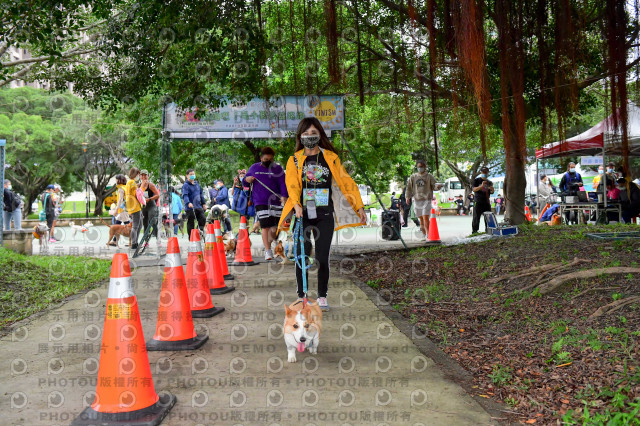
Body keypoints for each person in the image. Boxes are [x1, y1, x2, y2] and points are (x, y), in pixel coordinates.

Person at [277, 117, 366, 311]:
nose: (310, 137)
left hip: (325, 214)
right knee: (302, 254)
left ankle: (322, 296)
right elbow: (291, 185)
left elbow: (347, 182)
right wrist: (297, 206)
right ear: (300, 136)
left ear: (320, 135)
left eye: (314, 133)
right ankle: (302, 295)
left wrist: (359, 206)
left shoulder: (331, 157)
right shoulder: (294, 159)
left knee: (322, 256)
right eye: (306, 133)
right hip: (303, 214)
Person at [244, 147, 288, 260]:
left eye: (270, 159)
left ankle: (273, 241)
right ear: (261, 158)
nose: (268, 160)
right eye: (265, 158)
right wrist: (247, 179)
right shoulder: (254, 167)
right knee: (265, 226)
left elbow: (283, 183)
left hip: (276, 201)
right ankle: (268, 251)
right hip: (260, 201)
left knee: (274, 228)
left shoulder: (278, 169)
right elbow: (245, 180)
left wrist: (284, 196)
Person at [405, 160, 439, 240]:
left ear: (425, 167)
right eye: (418, 167)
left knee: (425, 217)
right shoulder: (413, 177)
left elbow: (434, 186)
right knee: (421, 219)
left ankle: (429, 234)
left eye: (421, 166)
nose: (420, 168)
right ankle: (424, 234)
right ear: (416, 167)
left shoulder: (429, 176)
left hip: (426, 200)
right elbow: (409, 188)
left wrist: (438, 187)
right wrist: (407, 197)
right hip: (417, 200)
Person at [182, 168, 206, 237]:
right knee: (191, 222)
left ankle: (199, 232)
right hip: (190, 207)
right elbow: (185, 195)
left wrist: (203, 203)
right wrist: (188, 203)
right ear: (187, 176)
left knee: (203, 218)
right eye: (190, 174)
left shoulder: (197, 184)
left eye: (193, 174)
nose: (192, 176)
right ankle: (191, 237)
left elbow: (201, 194)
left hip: (198, 206)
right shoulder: (186, 185)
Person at [125, 168, 143, 250]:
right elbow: (137, 194)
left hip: (132, 206)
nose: (138, 176)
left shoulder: (129, 182)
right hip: (135, 206)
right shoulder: (132, 182)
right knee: (135, 226)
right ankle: (134, 243)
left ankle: (135, 242)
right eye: (138, 174)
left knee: (139, 225)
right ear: (135, 174)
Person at [471, 166, 494, 233]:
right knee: (476, 217)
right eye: (483, 172)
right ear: (481, 172)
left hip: (486, 201)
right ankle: (475, 231)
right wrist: (481, 186)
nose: (485, 173)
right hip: (478, 201)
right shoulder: (477, 180)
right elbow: (474, 189)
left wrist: (492, 190)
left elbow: (491, 192)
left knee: (488, 217)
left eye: (486, 172)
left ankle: (488, 230)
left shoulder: (489, 182)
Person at [109, 174, 130, 246]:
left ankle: (133, 241)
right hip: (125, 209)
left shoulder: (121, 188)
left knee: (128, 225)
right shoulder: (125, 187)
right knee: (117, 225)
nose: (115, 181)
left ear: (119, 180)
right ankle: (115, 241)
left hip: (122, 210)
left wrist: (116, 210)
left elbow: (120, 200)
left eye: (116, 179)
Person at [139, 170, 160, 242]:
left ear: (148, 176)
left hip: (151, 205)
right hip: (143, 206)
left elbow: (158, 195)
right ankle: (146, 241)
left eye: (145, 175)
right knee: (145, 224)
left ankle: (158, 239)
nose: (144, 177)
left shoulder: (151, 185)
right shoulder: (138, 185)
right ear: (140, 176)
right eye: (142, 175)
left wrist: (150, 199)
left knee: (153, 221)